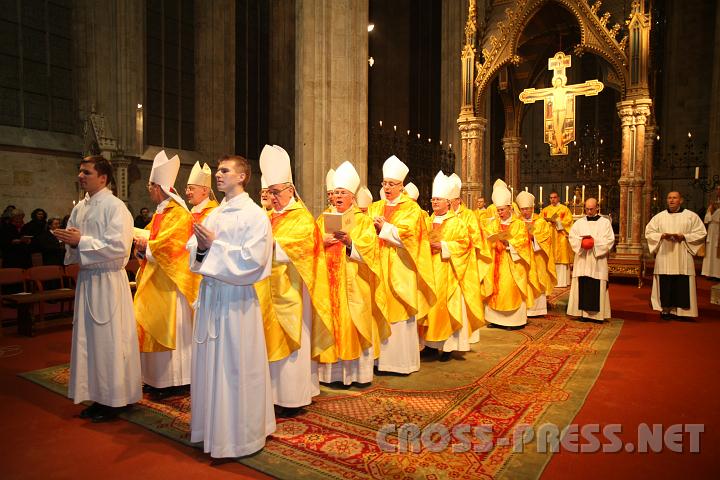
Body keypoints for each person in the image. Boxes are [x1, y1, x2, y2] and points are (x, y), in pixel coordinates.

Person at [186, 154, 275, 458]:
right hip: (212, 296)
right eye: (218, 170)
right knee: (212, 364)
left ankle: (240, 436)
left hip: (237, 302)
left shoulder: (254, 215)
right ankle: (212, 430)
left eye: (225, 170)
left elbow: (254, 261)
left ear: (242, 176)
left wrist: (213, 246)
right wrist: (201, 247)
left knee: (236, 367)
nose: (218, 175)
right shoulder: (215, 213)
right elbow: (194, 253)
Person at [53, 155, 141, 422]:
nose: (81, 176)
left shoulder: (116, 207)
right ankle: (97, 396)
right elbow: (77, 241)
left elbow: (119, 248)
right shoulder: (80, 207)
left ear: (103, 177)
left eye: (87, 172)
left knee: (110, 340)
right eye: (80, 171)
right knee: (89, 340)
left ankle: (115, 399)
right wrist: (68, 241)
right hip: (88, 279)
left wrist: (81, 241)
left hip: (108, 280)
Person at [256, 144, 334, 414]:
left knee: (292, 346)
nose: (272, 198)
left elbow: (295, 249)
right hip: (266, 289)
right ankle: (272, 395)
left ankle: (292, 398)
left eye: (276, 192)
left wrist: (265, 246)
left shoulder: (301, 217)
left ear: (290, 189)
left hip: (291, 292)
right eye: (269, 193)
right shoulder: (266, 217)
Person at [316, 161, 389, 385]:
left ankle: (356, 375)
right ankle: (330, 375)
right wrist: (322, 241)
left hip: (354, 282)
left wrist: (350, 243)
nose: (338, 196)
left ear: (351, 196)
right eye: (335, 192)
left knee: (353, 323)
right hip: (328, 280)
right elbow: (310, 244)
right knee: (331, 322)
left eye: (342, 193)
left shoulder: (363, 220)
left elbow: (371, 249)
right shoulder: (322, 218)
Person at [133, 151, 200, 398]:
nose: (149, 190)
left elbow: (172, 246)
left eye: (150, 185)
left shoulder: (179, 213)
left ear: (159, 187)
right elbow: (152, 238)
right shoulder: (161, 212)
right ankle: (154, 379)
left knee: (172, 330)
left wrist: (146, 245)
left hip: (172, 284)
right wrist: (141, 243)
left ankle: (175, 381)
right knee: (152, 326)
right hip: (155, 278)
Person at [368, 155, 435, 373]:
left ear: (401, 186)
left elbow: (412, 236)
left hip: (400, 267)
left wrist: (386, 228)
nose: (387, 188)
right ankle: (379, 360)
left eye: (392, 184)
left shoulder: (411, 209)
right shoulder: (374, 207)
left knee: (399, 310)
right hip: (378, 265)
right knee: (379, 308)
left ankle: (400, 363)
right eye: (385, 183)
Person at [423, 172, 483, 360]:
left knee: (445, 306)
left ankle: (447, 347)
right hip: (429, 269)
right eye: (433, 199)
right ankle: (430, 345)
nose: (434, 203)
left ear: (448, 202)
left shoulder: (457, 222)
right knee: (429, 305)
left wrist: (444, 246)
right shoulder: (426, 220)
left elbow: (465, 244)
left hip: (448, 269)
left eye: (438, 199)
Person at [645, 191, 707, 320]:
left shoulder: (691, 216)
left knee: (682, 282)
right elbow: (649, 232)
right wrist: (661, 236)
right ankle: (666, 310)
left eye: (674, 198)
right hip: (665, 254)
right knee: (665, 282)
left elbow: (701, 232)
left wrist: (685, 236)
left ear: (681, 200)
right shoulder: (659, 217)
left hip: (682, 254)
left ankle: (683, 312)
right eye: (669, 198)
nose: (671, 200)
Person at [483, 182, 532, 329]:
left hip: (512, 262)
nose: (500, 213)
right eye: (498, 210)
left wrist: (509, 244)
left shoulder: (519, 224)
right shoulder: (493, 223)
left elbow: (524, 242)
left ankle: (513, 321)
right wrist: (490, 238)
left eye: (502, 210)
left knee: (509, 288)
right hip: (495, 260)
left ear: (510, 208)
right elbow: (487, 236)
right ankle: (495, 320)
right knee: (494, 287)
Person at [447, 173, 490, 341]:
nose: (450, 204)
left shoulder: (469, 215)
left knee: (464, 297)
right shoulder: (444, 216)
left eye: (452, 201)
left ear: (458, 200)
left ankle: (465, 336)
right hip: (447, 261)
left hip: (465, 261)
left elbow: (476, 238)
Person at [566, 198, 614, 322]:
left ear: (597, 208)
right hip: (582, 259)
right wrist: (582, 242)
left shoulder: (605, 223)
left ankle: (597, 316)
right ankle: (583, 314)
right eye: (586, 209)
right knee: (583, 284)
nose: (588, 211)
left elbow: (610, 240)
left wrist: (594, 242)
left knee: (596, 285)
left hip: (597, 260)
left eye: (591, 209)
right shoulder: (579, 223)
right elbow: (572, 237)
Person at [517, 191, 555, 317]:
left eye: (527, 209)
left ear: (532, 208)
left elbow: (546, 239)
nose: (524, 212)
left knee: (537, 280)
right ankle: (523, 309)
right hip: (522, 257)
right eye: (522, 209)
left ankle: (537, 310)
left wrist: (533, 238)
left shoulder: (540, 222)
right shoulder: (517, 222)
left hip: (537, 257)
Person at [541, 190, 574, 287]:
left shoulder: (564, 209)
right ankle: (551, 281)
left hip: (561, 237)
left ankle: (562, 282)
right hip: (550, 236)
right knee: (551, 258)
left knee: (562, 257)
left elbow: (569, 222)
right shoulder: (545, 210)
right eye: (551, 198)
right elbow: (540, 222)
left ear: (558, 198)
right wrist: (548, 222)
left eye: (554, 197)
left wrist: (557, 222)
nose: (553, 199)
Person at [701, 185, 720, 279]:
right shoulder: (713, 204)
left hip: (718, 230)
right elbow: (707, 219)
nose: (718, 191)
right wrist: (710, 211)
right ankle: (709, 272)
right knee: (710, 251)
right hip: (712, 230)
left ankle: (717, 273)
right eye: (717, 189)